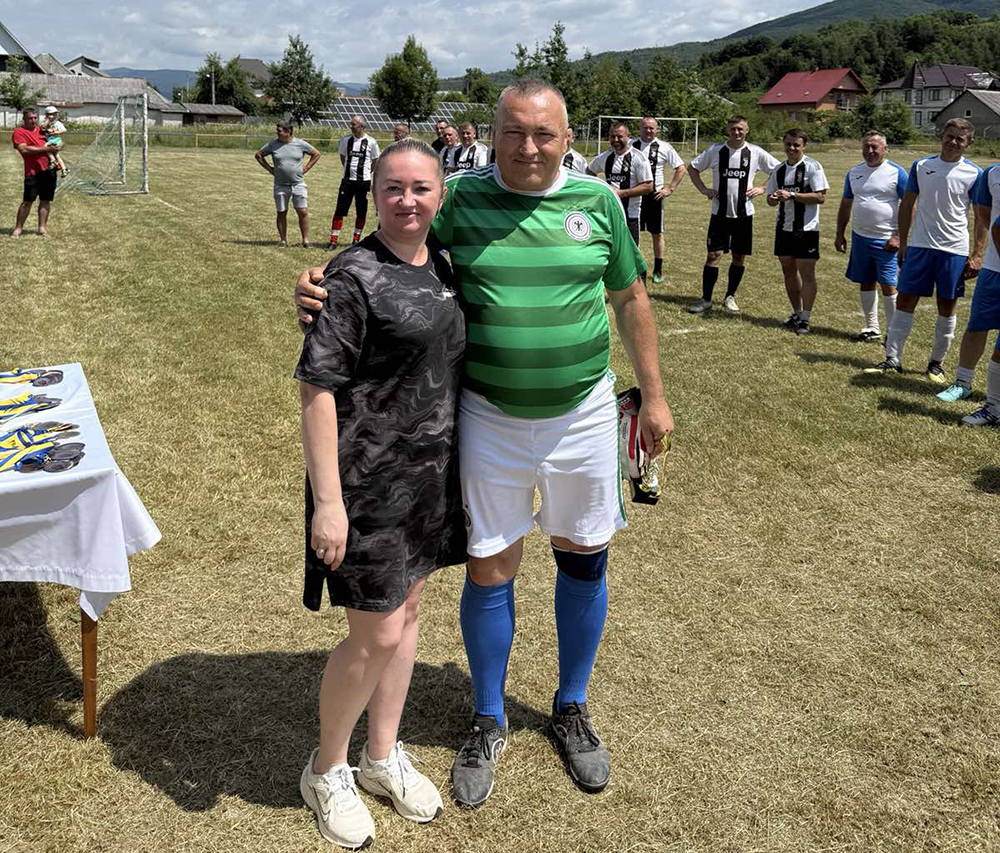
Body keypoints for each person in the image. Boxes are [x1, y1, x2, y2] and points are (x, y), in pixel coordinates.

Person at [294, 79, 673, 807]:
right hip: (488, 415)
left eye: (543, 134)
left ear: (569, 139)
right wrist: (321, 282)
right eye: (513, 132)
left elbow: (630, 297)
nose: (528, 147)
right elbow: (395, 242)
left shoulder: (598, 202)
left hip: (582, 413)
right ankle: (488, 714)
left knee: (584, 554)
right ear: (492, 135)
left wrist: (653, 395)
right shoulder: (459, 198)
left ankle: (571, 704)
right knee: (491, 563)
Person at [295, 138, 467, 849]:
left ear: (440, 194)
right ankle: (326, 769)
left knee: (410, 611)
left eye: (421, 187)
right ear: (373, 192)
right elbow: (317, 390)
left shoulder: (444, 264)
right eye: (393, 187)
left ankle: (381, 754)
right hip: (365, 484)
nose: (407, 200)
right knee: (376, 632)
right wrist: (328, 503)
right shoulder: (351, 275)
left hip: (431, 479)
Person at [864, 119, 986, 380]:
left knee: (947, 305)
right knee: (905, 301)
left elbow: (980, 217)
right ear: (941, 136)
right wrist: (903, 240)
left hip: (953, 249)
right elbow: (907, 205)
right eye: (950, 136)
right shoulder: (921, 166)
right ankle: (892, 359)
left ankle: (936, 364)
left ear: (969, 143)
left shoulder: (975, 173)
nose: (953, 142)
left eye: (960, 139)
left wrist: (977, 254)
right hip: (920, 246)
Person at [686, 115, 780, 314]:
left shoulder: (755, 152)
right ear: (727, 130)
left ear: (747, 130)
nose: (736, 132)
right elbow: (693, 168)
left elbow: (778, 170)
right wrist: (703, 189)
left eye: (740, 129)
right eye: (733, 129)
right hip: (719, 214)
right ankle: (706, 299)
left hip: (744, 215)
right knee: (713, 255)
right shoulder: (716, 150)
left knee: (738, 256)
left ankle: (730, 297)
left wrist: (762, 188)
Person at [936, 161, 1000, 410]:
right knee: (977, 326)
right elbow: (984, 215)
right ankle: (962, 383)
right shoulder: (991, 173)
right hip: (993, 268)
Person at [834, 131, 908, 343]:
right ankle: (872, 327)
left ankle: (892, 332)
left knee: (888, 284)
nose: (870, 151)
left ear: (885, 148)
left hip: (886, 239)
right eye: (866, 146)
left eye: (875, 147)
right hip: (860, 237)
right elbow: (846, 204)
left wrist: (898, 236)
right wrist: (840, 233)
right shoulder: (854, 172)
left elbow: (910, 205)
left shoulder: (896, 172)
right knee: (865, 281)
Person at [765, 129, 828, 335]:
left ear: (804, 146)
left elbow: (820, 197)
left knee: (807, 273)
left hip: (806, 229)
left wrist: (792, 195)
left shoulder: (813, 166)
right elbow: (770, 199)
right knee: (788, 272)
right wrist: (773, 199)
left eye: (796, 145)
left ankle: (806, 319)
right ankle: (797, 313)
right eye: (788, 144)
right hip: (784, 228)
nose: (791, 148)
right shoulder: (779, 169)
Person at [632, 117, 686, 283]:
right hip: (634, 195)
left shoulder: (664, 146)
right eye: (645, 127)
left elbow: (680, 168)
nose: (648, 130)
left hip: (655, 196)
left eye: (652, 128)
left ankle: (658, 270)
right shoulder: (631, 145)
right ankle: (636, 268)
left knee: (657, 233)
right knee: (633, 233)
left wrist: (670, 188)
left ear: (657, 129)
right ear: (639, 128)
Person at [587, 120, 653, 246]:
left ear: (628, 137)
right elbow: (590, 170)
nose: (616, 140)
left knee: (631, 252)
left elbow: (648, 186)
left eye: (620, 136)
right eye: (612, 136)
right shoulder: (605, 157)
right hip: (608, 214)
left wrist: (622, 193)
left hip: (630, 216)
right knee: (609, 249)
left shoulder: (638, 158)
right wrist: (600, 188)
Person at [255, 121, 321, 248]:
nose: (277, 133)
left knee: (302, 211)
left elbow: (316, 154)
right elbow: (258, 155)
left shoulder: (300, 144)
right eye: (277, 130)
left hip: (298, 184)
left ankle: (306, 240)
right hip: (280, 185)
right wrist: (270, 169)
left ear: (288, 131)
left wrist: (306, 167)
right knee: (281, 212)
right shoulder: (272, 145)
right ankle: (283, 240)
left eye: (279, 130)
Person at [328, 116, 380, 250]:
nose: (351, 126)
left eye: (353, 124)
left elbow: (375, 160)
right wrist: (349, 170)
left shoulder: (371, 142)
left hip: (363, 182)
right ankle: (333, 240)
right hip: (347, 181)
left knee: (361, 211)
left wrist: (367, 172)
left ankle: (356, 240)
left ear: (362, 126)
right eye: (350, 124)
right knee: (340, 210)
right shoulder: (346, 140)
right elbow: (343, 157)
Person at [11, 108, 60, 239]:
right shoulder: (19, 132)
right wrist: (45, 149)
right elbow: (24, 149)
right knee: (27, 201)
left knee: (45, 200)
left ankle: (42, 229)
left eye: (35, 118)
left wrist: (58, 146)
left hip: (49, 170)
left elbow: (56, 141)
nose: (33, 121)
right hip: (33, 172)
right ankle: (18, 229)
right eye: (30, 118)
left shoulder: (43, 131)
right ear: (24, 119)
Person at [40, 106, 69, 177]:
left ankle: (53, 161)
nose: (53, 116)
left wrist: (56, 132)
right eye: (51, 114)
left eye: (54, 114)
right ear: (46, 115)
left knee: (46, 147)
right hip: (51, 140)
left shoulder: (58, 123)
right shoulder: (46, 122)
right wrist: (47, 119)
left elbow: (64, 130)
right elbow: (42, 127)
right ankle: (64, 169)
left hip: (56, 139)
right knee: (56, 155)